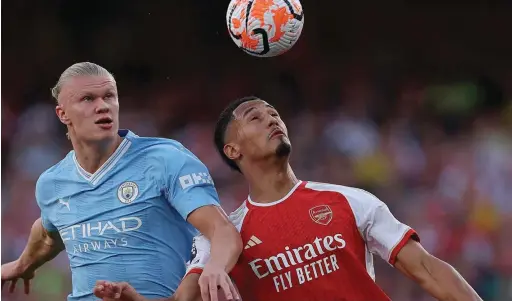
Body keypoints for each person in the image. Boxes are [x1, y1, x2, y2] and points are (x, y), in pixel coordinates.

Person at [93, 96, 482, 301]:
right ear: (232, 150)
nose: (272, 120)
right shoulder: (225, 236)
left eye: (274, 113)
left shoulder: (350, 201)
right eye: (255, 117)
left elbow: (427, 270)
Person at [1, 62, 242, 301]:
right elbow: (47, 233)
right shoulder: (52, 183)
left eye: (109, 96)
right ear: (63, 114)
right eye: (87, 99)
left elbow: (221, 229)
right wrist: (21, 265)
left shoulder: (164, 158)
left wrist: (216, 266)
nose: (102, 106)